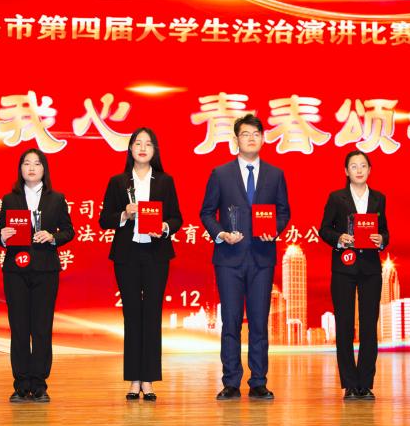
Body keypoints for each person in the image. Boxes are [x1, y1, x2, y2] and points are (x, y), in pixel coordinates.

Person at [200, 114, 290, 400]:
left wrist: (274, 230)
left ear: (263, 139)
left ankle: (259, 381)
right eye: (245, 134)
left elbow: (284, 212)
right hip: (229, 258)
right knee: (231, 321)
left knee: (260, 323)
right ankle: (230, 382)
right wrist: (221, 234)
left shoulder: (275, 174)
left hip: (262, 258)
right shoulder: (220, 174)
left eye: (256, 134)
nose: (251, 138)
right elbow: (206, 212)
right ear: (235, 139)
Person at [98, 128, 183, 401]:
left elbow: (177, 218)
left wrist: (164, 227)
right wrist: (124, 214)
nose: (143, 148)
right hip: (127, 255)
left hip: (156, 254)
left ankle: (149, 380)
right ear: (131, 149)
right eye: (138, 143)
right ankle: (134, 380)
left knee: (152, 315)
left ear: (155, 150)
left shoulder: (165, 181)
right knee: (132, 315)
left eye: (148, 144)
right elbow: (104, 220)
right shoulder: (118, 182)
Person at [0, 148, 75, 403]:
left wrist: (52, 237)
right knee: (19, 327)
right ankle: (20, 384)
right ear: (20, 169)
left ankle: (39, 384)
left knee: (41, 327)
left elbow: (69, 231)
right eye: (26, 163)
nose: (31, 168)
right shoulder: (10, 199)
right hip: (15, 271)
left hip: (45, 270)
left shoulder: (56, 199)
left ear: (44, 169)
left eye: (37, 164)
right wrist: (2, 237)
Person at [319, 151, 389, 400]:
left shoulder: (379, 198)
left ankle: (365, 383)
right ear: (346, 171)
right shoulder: (336, 197)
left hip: (370, 269)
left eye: (363, 166)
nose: (359, 170)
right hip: (344, 268)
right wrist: (339, 238)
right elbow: (323, 229)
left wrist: (381, 240)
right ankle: (350, 384)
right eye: (353, 166)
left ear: (370, 170)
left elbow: (385, 232)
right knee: (345, 326)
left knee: (369, 326)